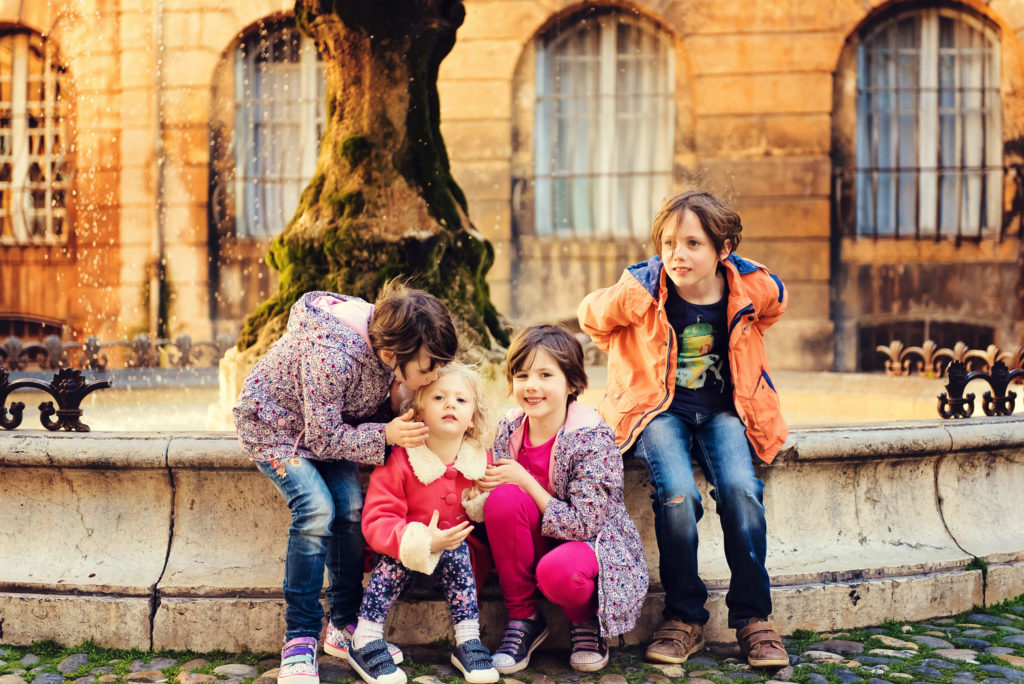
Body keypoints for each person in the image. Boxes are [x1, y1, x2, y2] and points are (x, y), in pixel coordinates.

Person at [578, 190, 790, 668]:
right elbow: (591, 318)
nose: (678, 254)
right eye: (669, 242)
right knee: (676, 494)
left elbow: (774, 307)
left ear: (723, 249)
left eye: (694, 243)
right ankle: (684, 616)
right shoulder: (644, 287)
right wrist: (628, 302)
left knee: (740, 490)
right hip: (659, 412)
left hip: (723, 412)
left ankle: (754, 618)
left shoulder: (752, 288)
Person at [233, 281, 458, 684]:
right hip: (275, 431)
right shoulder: (332, 358)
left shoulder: (387, 334)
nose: (435, 374)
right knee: (317, 508)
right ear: (391, 355)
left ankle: (344, 624)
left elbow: (344, 421)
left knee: (352, 507)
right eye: (428, 367)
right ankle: (300, 637)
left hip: (330, 430)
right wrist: (385, 436)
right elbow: (322, 439)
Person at [478, 325, 648, 674]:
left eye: (545, 374)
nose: (531, 386)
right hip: (531, 541)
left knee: (558, 571)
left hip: (588, 545)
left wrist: (526, 480)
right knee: (503, 499)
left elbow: (584, 523)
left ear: (571, 383)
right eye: (522, 374)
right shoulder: (508, 429)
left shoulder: (591, 436)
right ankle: (523, 619)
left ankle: (584, 621)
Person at [347, 364, 499, 684]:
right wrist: (420, 541)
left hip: (458, 564)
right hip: (403, 559)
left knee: (457, 549)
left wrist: (481, 504)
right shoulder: (402, 459)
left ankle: (468, 640)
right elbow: (378, 519)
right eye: (439, 397)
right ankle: (366, 637)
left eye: (461, 400)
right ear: (418, 413)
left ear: (472, 417)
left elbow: (494, 509)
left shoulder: (480, 461)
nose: (450, 405)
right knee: (400, 551)